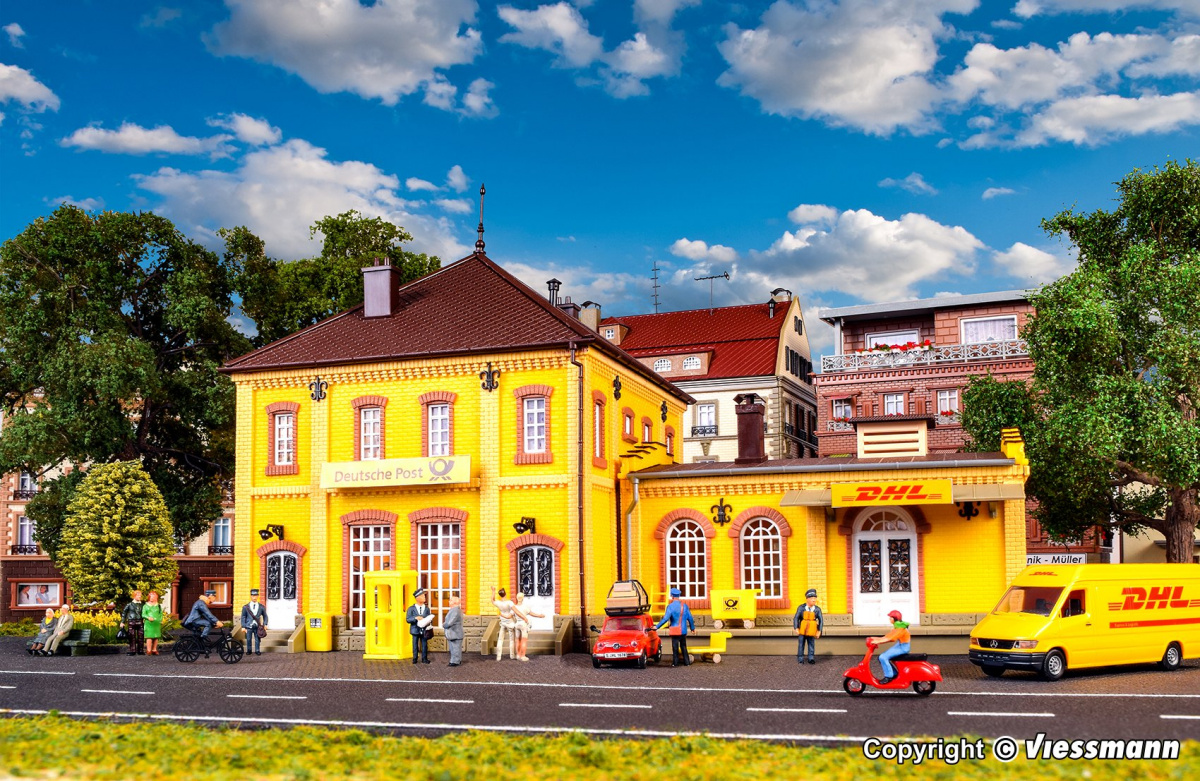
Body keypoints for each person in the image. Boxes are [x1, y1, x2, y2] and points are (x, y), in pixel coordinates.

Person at [655, 588, 695, 667]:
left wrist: (657, 626)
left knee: (675, 647)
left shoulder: (670, 607)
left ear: (672, 596)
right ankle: (686, 662)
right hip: (683, 630)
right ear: (679, 596)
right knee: (683, 646)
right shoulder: (685, 606)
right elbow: (690, 618)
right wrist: (692, 628)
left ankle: (675, 663)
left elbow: (665, 619)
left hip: (675, 630)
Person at [871, 609, 912, 684]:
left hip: (903, 647)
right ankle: (894, 673)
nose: (889, 619)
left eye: (890, 618)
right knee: (882, 656)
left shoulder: (901, 628)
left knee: (883, 657)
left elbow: (892, 638)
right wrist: (876, 638)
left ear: (894, 618)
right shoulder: (898, 626)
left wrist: (879, 641)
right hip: (900, 645)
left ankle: (889, 676)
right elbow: (889, 635)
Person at [491, 586, 523, 661]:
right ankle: (512, 655)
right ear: (505, 594)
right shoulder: (509, 603)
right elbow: (513, 613)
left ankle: (499, 656)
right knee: (511, 640)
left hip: (503, 622)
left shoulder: (498, 603)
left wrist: (493, 591)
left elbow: (492, 600)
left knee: (500, 639)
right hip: (509, 622)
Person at [793, 588, 824, 665]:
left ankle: (811, 658)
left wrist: (819, 631)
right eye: (811, 598)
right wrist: (796, 628)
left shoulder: (817, 609)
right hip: (802, 629)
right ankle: (800, 658)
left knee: (811, 643)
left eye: (815, 598)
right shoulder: (801, 608)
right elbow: (796, 618)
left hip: (812, 629)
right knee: (801, 644)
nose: (813, 600)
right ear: (807, 599)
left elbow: (821, 620)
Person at [513, 592, 546, 662]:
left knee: (517, 640)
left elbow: (511, 615)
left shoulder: (514, 607)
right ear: (523, 598)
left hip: (517, 624)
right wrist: (539, 615)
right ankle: (523, 655)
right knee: (524, 640)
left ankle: (518, 655)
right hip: (523, 624)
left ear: (517, 598)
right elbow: (532, 614)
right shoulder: (525, 607)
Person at [406, 587, 433, 664]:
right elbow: (408, 619)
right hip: (415, 629)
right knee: (415, 644)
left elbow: (429, 617)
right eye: (422, 596)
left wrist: (428, 621)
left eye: (424, 596)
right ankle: (415, 658)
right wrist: (415, 618)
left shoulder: (427, 608)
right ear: (417, 598)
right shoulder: (411, 608)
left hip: (424, 629)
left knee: (424, 644)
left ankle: (424, 658)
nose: (424, 598)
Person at [240, 589, 269, 656]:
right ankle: (249, 650)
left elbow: (265, 616)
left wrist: (265, 624)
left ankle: (257, 650)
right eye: (253, 595)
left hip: (257, 626)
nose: (254, 597)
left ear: (258, 596)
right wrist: (243, 626)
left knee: (257, 638)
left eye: (256, 595)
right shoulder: (246, 607)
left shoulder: (261, 607)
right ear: (251, 596)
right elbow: (243, 617)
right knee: (248, 639)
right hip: (248, 625)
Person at [120, 589, 146, 656]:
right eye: (138, 595)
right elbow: (124, 613)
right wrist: (123, 621)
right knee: (131, 636)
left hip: (140, 621)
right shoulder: (129, 604)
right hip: (132, 621)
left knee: (141, 636)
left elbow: (145, 612)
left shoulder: (143, 605)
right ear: (134, 596)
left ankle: (140, 650)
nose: (139, 596)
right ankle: (132, 650)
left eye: (140, 595)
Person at [141, 591, 164, 655]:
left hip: (156, 622)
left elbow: (160, 613)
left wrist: (161, 619)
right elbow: (143, 614)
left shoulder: (158, 606)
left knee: (156, 636)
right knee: (149, 636)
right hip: (149, 623)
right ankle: (148, 649)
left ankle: (154, 649)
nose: (152, 598)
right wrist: (148, 617)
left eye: (154, 597)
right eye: (151, 597)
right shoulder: (145, 606)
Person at [443, 595, 464, 667]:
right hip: (453, 633)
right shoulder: (454, 610)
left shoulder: (456, 610)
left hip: (455, 633)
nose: (449, 601)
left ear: (454, 602)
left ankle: (455, 661)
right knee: (453, 648)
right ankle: (455, 660)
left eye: (451, 600)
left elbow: (450, 622)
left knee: (455, 648)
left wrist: (444, 625)